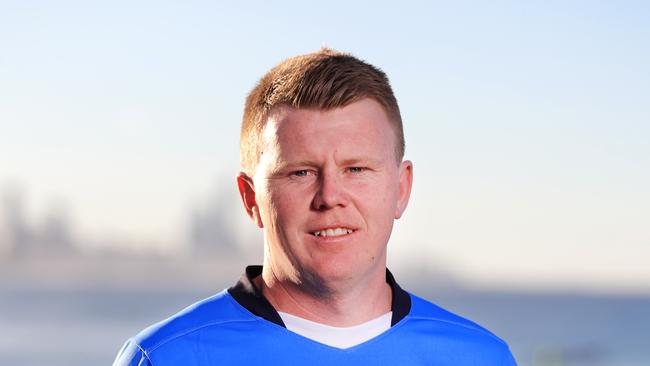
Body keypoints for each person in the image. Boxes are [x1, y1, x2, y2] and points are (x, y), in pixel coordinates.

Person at [113, 48, 517, 365]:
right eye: (301, 172)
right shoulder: (166, 358)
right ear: (251, 198)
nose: (330, 196)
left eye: (356, 169)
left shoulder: (481, 357)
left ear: (401, 187)